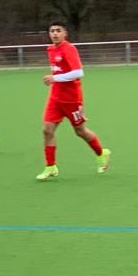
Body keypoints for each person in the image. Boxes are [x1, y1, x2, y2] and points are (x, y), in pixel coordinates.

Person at [36, 22, 111, 180]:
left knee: (80, 131)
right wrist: (54, 80)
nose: (55, 33)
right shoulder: (50, 49)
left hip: (72, 99)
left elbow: (78, 73)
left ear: (65, 33)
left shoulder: (69, 49)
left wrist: (55, 78)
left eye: (58, 30)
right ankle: (50, 167)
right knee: (47, 130)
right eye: (52, 31)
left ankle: (101, 153)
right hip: (55, 98)